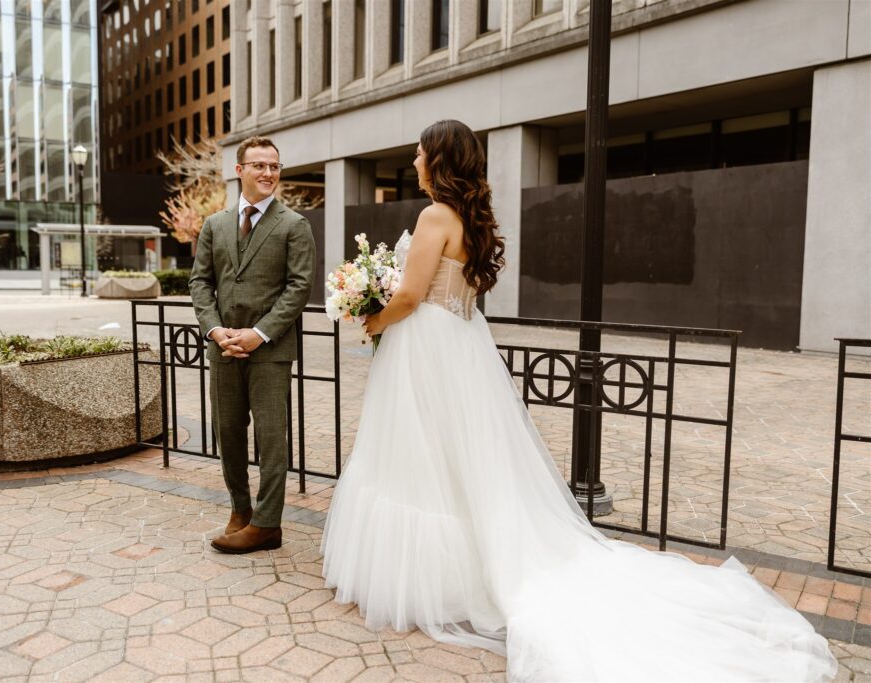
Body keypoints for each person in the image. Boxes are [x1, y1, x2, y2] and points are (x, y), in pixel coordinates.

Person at [321, 120, 837, 681]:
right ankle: (455, 571)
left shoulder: (434, 215)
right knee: (466, 463)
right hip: (462, 344)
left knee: (422, 456)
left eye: (420, 154)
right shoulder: (471, 218)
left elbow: (411, 295)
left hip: (427, 348)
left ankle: (433, 583)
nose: (415, 162)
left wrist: (368, 315)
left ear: (439, 160)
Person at [190, 136, 316, 554]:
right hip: (222, 347)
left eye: (274, 166)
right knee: (227, 433)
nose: (268, 173)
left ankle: (267, 524)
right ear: (239, 170)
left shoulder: (294, 225)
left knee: (271, 437)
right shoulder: (215, 225)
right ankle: (240, 510)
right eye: (259, 165)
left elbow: (299, 288)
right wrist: (215, 329)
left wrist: (258, 333)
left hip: (270, 351)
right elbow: (200, 282)